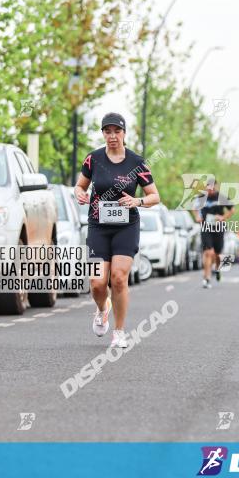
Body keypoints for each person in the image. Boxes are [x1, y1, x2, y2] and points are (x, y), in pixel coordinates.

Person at [74, 113, 161, 348]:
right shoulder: (93, 159)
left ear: (124, 133)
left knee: (119, 278)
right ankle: (102, 309)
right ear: (103, 134)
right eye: (107, 131)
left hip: (126, 227)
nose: (112, 136)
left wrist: (137, 201)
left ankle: (119, 332)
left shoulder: (136, 162)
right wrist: (79, 193)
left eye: (117, 131)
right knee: (97, 282)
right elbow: (80, 186)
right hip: (98, 226)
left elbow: (155, 196)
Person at [190, 178, 235, 288]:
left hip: (219, 227)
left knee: (218, 253)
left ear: (216, 187)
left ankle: (217, 269)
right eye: (208, 188)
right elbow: (194, 207)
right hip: (206, 227)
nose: (210, 190)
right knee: (208, 252)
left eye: (212, 188)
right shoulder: (201, 197)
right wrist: (197, 217)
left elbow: (232, 209)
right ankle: (206, 278)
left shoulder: (221, 197)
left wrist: (223, 217)